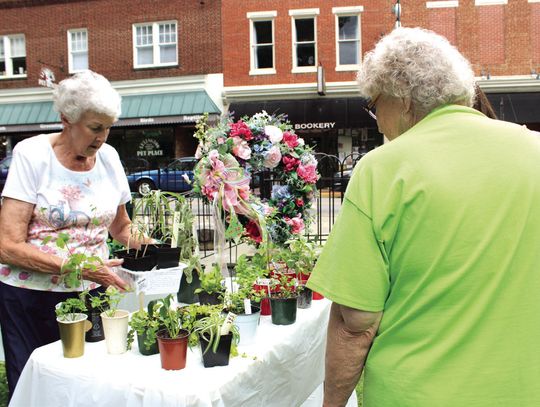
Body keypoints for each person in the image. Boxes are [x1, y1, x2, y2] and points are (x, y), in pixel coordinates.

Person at [307, 27, 540, 406]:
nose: (377, 121)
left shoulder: (381, 170)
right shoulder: (534, 150)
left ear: (402, 98)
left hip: (416, 393)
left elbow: (356, 326)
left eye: (374, 105)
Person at [0, 70, 146, 399]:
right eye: (95, 127)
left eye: (108, 128)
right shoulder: (32, 155)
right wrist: (76, 266)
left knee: (87, 387)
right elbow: (7, 245)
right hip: (31, 298)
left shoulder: (109, 158)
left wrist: (159, 249)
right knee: (37, 389)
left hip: (90, 292)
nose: (102, 137)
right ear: (67, 119)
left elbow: (122, 227)